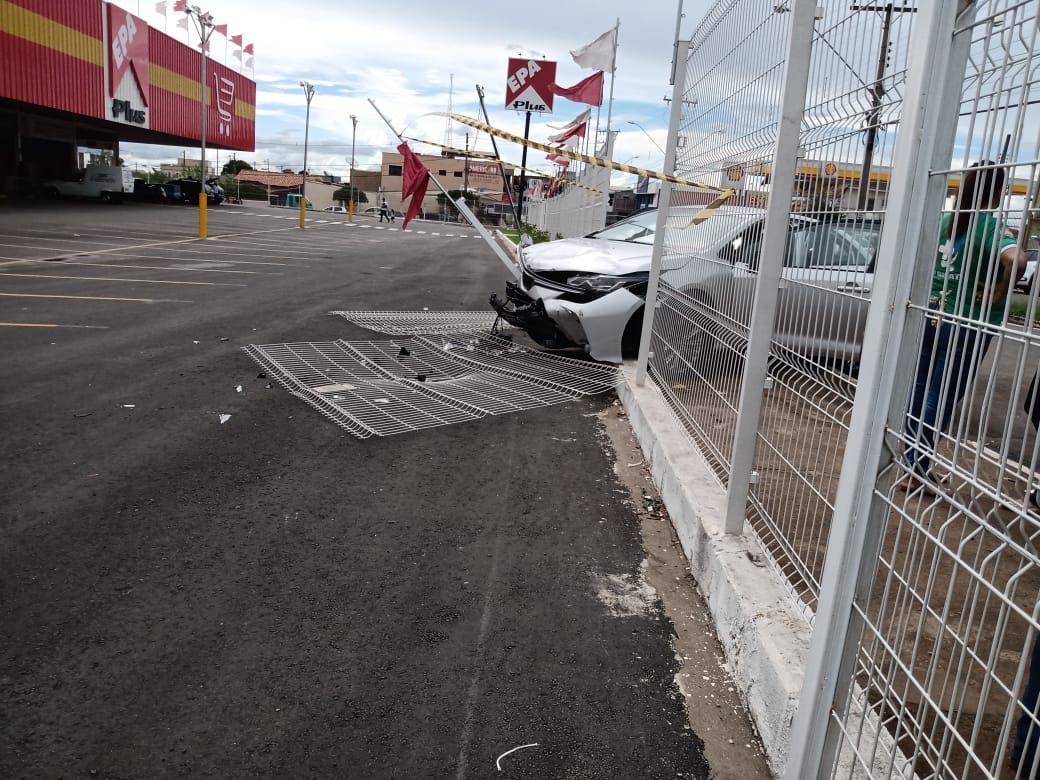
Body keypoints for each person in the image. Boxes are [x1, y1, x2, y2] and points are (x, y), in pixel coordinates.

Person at [904, 161, 1027, 489]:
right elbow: (1018, 259)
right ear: (997, 192)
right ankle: (917, 468)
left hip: (931, 311)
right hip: (966, 322)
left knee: (919, 386)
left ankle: (909, 461)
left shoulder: (946, 220)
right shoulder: (989, 226)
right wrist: (1000, 291)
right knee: (941, 395)